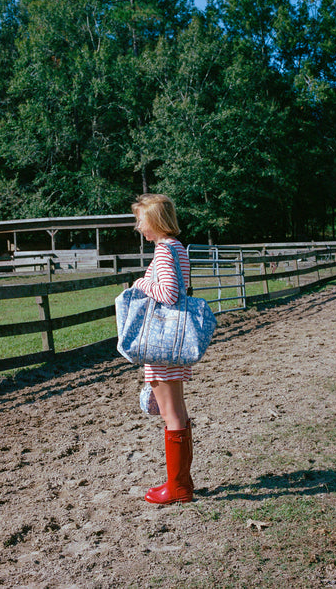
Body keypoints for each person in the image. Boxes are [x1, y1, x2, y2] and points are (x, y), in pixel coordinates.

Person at [132, 193, 193, 505]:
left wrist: (140, 285)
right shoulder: (177, 248)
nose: (138, 227)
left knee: (171, 415)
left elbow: (168, 293)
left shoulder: (163, 251)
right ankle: (181, 482)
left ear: (154, 221)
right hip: (174, 343)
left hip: (162, 344)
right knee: (178, 412)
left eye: (141, 220)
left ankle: (178, 487)